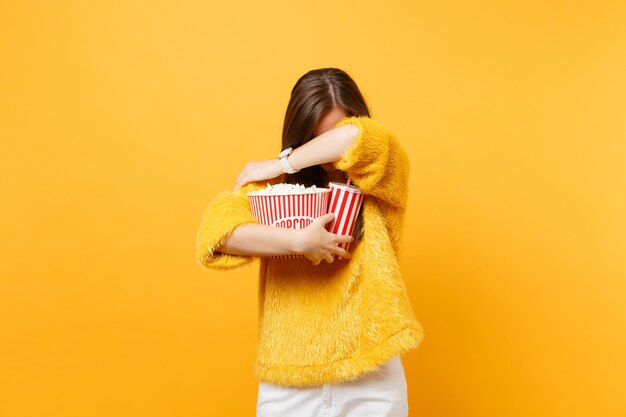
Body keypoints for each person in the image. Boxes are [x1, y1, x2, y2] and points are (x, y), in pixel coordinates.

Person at [195, 68, 424, 417]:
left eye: (332, 136)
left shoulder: (383, 177)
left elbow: (357, 139)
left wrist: (281, 160)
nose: (331, 157)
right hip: (289, 382)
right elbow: (217, 235)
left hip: (371, 374)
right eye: (316, 139)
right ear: (300, 134)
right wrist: (299, 240)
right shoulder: (272, 190)